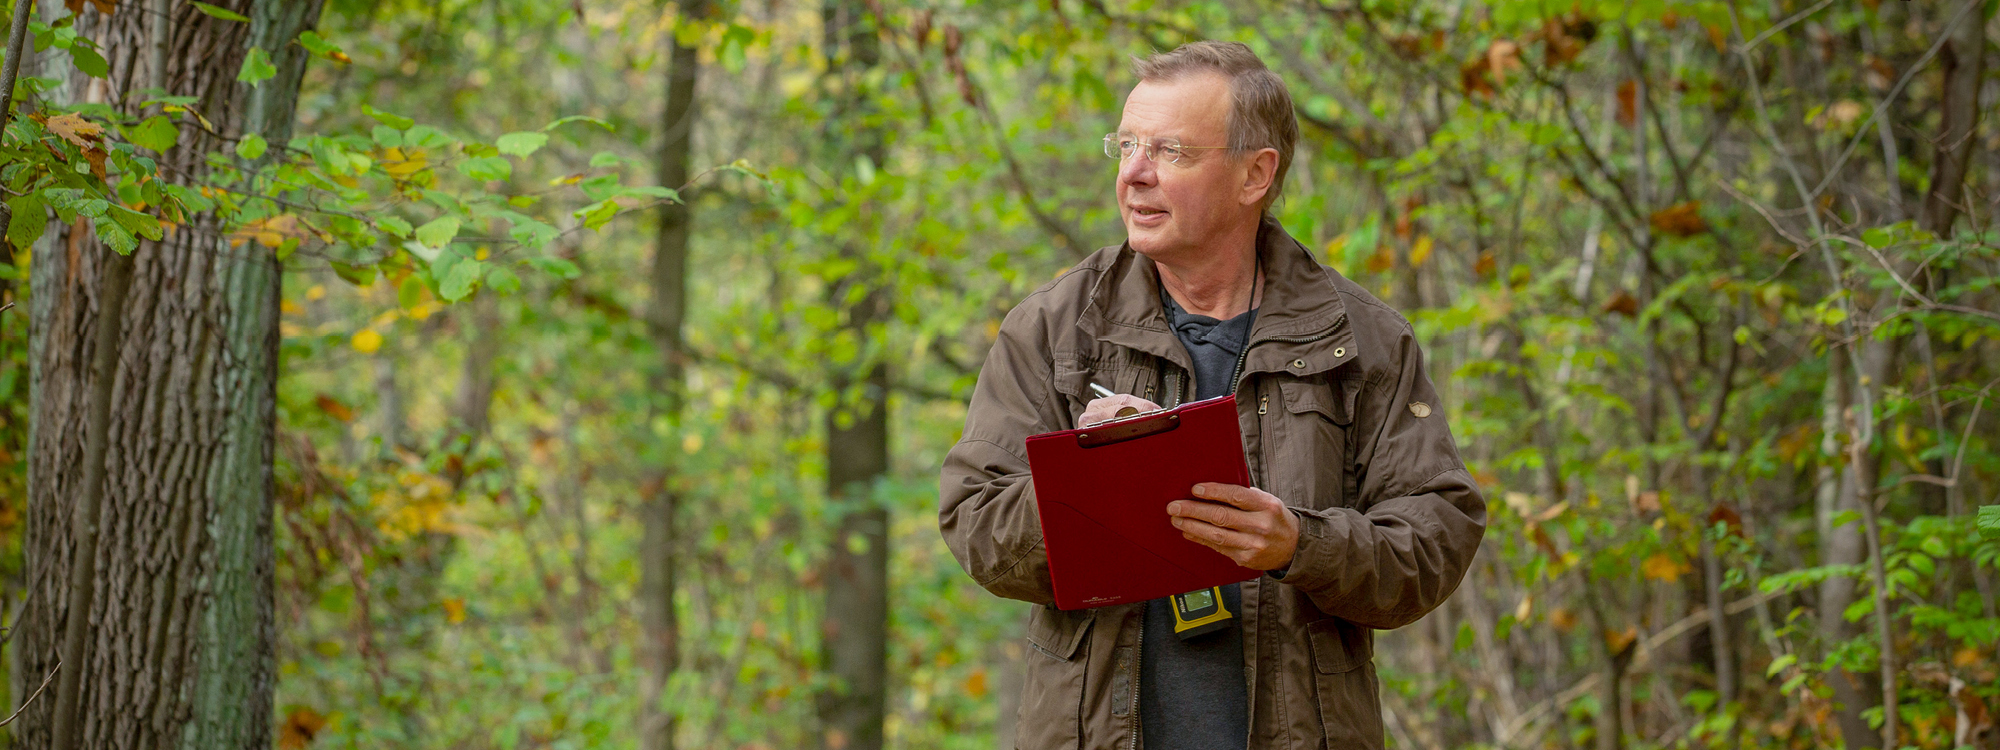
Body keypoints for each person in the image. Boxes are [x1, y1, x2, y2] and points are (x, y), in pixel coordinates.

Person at [937, 41, 1486, 749]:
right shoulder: (1056, 327)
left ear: (1255, 175)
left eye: (1170, 153)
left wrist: (1301, 544)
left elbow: (1436, 539)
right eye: (1126, 145)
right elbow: (975, 522)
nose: (1133, 174)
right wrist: (1096, 481)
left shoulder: (1361, 340)